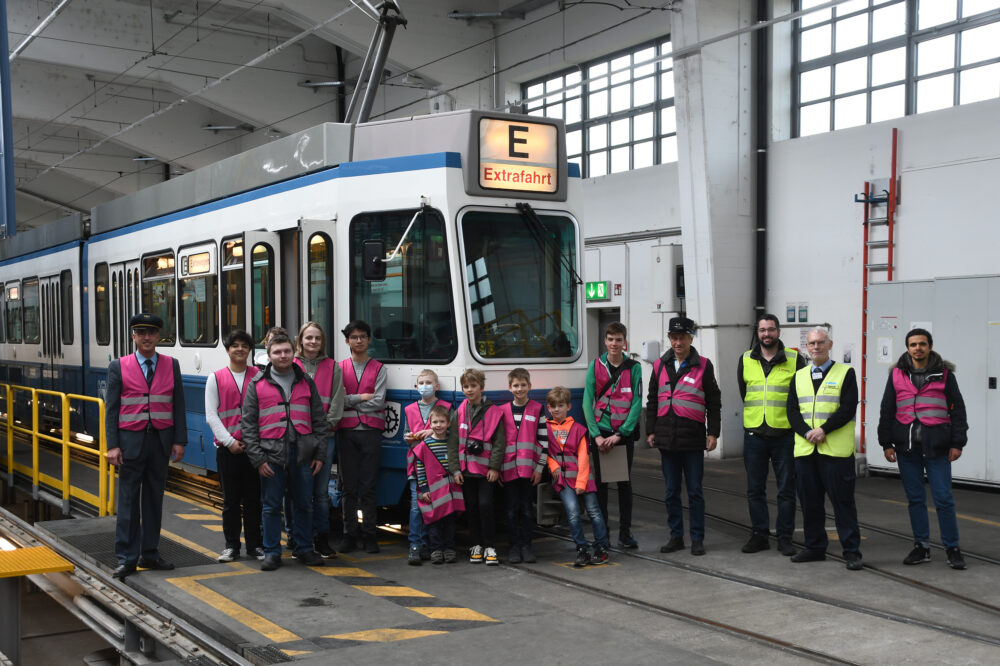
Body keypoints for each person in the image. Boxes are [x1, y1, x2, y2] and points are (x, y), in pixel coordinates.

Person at [105, 313, 187, 581]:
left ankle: (149, 554)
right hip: (130, 444)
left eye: (152, 332)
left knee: (154, 499)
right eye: (141, 333)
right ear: (133, 336)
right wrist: (113, 446)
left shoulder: (171, 365)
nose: (147, 338)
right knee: (128, 501)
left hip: (160, 443)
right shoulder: (119, 366)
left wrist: (179, 440)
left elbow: (178, 405)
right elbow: (112, 410)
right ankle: (126, 558)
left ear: (158, 336)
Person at [878, 328, 968, 570]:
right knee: (915, 499)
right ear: (907, 348)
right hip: (907, 449)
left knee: (944, 499)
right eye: (913, 344)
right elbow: (887, 409)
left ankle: (952, 547)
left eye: (922, 344)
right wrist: (886, 443)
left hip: (938, 446)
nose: (918, 348)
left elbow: (957, 410)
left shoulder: (945, 374)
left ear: (930, 346)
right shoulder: (896, 374)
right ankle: (922, 546)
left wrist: (957, 443)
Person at [242, 332, 329, 571]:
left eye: (286, 351)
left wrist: (320, 454)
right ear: (269, 356)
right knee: (270, 506)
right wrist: (258, 459)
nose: (283, 355)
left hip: (302, 454)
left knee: (304, 504)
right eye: (277, 352)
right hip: (271, 456)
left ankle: (304, 549)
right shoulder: (256, 384)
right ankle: (272, 552)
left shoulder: (306, 382)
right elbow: (248, 425)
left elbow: (319, 421)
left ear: (293, 352)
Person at [786, 327, 862, 570]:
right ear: (807, 348)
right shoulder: (798, 376)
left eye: (820, 343)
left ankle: (852, 552)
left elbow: (847, 408)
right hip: (806, 451)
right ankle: (814, 547)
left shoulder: (845, 373)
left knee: (843, 503)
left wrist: (823, 430)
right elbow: (792, 411)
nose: (816, 347)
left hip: (835, 453)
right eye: (811, 344)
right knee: (810, 503)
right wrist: (807, 432)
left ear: (830, 345)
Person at [646, 316, 721, 556]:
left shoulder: (704, 365)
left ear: (691, 338)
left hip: (692, 439)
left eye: (682, 338)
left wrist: (713, 433)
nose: (678, 342)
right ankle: (676, 536)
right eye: (674, 337)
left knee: (695, 492)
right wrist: (650, 430)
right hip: (667, 439)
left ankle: (697, 538)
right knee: (670, 492)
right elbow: (652, 399)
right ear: (669, 338)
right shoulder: (659, 365)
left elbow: (714, 402)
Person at [736, 314, 805, 556]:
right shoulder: (745, 359)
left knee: (787, 489)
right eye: (763, 330)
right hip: (754, 434)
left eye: (771, 330)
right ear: (757, 332)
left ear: (779, 331)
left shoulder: (796, 360)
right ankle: (759, 535)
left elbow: (801, 397)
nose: (767, 334)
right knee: (755, 488)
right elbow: (745, 392)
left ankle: (784, 537)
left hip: (785, 435)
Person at [205, 329, 263, 563]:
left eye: (244, 345)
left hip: (254, 449)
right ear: (228, 349)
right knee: (230, 501)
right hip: (228, 450)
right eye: (235, 345)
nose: (240, 349)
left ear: (250, 350)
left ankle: (255, 545)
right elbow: (211, 415)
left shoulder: (259, 375)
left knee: (253, 499)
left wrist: (251, 442)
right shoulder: (215, 378)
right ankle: (231, 546)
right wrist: (229, 442)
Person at [583, 322, 642, 549]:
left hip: (621, 435)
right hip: (601, 433)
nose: (614, 344)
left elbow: (636, 403)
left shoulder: (633, 368)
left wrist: (621, 434)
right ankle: (603, 534)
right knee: (601, 485)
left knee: (624, 484)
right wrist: (596, 435)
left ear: (624, 342)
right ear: (605, 341)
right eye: (610, 339)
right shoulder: (595, 366)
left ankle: (625, 534)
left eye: (618, 340)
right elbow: (588, 401)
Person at [294, 321, 345, 559]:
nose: (313, 342)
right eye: (308, 338)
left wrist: (324, 427)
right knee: (300, 491)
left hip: (326, 437)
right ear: (300, 340)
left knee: (322, 492)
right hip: (299, 438)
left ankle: (322, 540)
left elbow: (337, 400)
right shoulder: (291, 364)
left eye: (317, 338)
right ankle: (299, 539)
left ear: (322, 342)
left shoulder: (333, 366)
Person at [337, 320, 387, 554]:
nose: (358, 340)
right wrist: (361, 398)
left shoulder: (379, 368)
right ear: (347, 341)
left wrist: (351, 401)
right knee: (348, 487)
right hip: (346, 433)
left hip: (370, 433)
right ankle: (349, 534)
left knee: (368, 487)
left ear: (368, 339)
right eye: (354, 337)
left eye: (363, 336)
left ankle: (369, 535)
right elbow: (338, 400)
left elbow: (378, 401)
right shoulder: (339, 368)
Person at [546, 386, 610, 567]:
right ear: (548, 408)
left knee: (594, 512)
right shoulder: (546, 428)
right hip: (562, 479)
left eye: (560, 405)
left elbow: (583, 457)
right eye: (553, 406)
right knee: (573, 513)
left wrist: (581, 483)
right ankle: (582, 549)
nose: (557, 409)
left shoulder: (578, 428)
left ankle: (602, 547)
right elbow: (547, 454)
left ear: (568, 407)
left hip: (583, 479)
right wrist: (553, 467)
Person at [447, 368, 505, 566]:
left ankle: (490, 546)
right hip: (465, 470)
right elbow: (453, 441)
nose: (469, 390)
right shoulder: (459, 411)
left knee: (485, 506)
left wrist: (495, 468)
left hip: (485, 471)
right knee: (471, 508)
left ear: (482, 387)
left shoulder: (494, 412)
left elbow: (499, 443)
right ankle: (476, 545)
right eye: (466, 386)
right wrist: (455, 469)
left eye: (473, 386)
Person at [499, 368, 547, 564]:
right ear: (509, 388)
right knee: (511, 509)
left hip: (529, 471)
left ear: (530, 386)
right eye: (516, 386)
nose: (520, 389)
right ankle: (513, 547)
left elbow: (543, 441)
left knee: (527, 509)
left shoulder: (537, 409)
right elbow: (498, 442)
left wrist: (539, 468)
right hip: (508, 469)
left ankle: (527, 546)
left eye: (523, 385)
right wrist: (498, 468)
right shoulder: (501, 411)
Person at [403, 369, 451, 565]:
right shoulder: (409, 409)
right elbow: (406, 434)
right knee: (416, 506)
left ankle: (431, 545)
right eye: (421, 383)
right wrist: (408, 438)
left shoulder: (446, 407)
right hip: (417, 466)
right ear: (416, 387)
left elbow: (451, 433)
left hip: (439, 469)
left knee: (436, 507)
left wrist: (432, 431)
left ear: (436, 386)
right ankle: (415, 545)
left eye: (428, 382)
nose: (424, 386)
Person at [412, 404, 464, 565]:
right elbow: (419, 467)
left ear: (448, 424)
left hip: (450, 490)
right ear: (430, 423)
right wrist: (424, 489)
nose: (438, 425)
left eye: (442, 422)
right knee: (434, 521)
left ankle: (448, 548)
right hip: (434, 491)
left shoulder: (452, 442)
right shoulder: (425, 445)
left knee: (449, 521)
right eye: (435, 422)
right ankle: (436, 549)